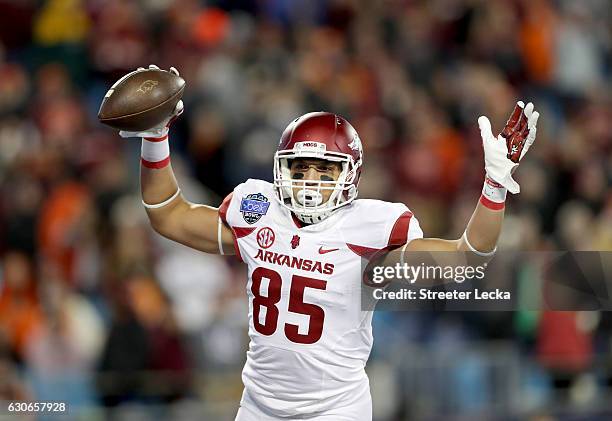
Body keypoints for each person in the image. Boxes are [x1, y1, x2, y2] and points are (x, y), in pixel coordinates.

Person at [117, 65, 539, 420]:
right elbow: (168, 214)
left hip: (335, 410)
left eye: (324, 170)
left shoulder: (369, 231)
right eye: (300, 168)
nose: (310, 181)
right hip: (259, 406)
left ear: (349, 176)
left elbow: (468, 258)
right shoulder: (258, 209)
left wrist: (494, 187)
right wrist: (156, 138)